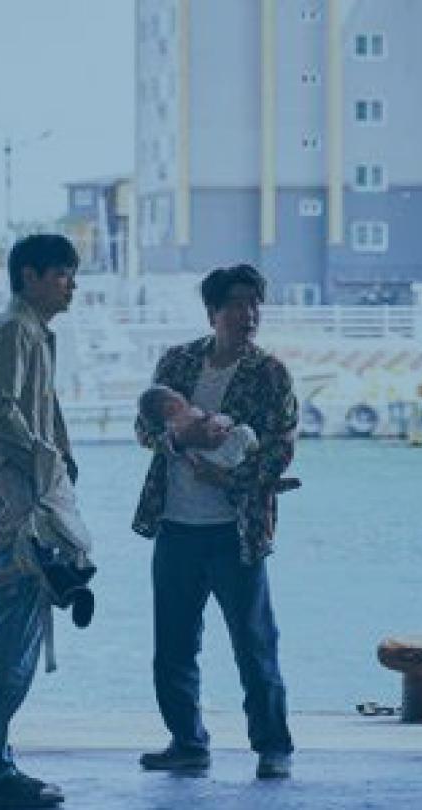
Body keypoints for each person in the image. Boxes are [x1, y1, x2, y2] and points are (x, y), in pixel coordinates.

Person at [132, 264, 297, 780]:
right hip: (175, 525)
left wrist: (229, 478)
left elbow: (282, 449)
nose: (249, 314)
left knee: (254, 644)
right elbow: (144, 427)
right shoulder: (177, 362)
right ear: (213, 311)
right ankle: (187, 742)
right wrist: (178, 439)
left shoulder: (270, 372)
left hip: (237, 530)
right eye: (237, 303)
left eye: (255, 303)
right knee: (173, 646)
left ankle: (273, 747)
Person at [0, 234, 81, 808]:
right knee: (8, 635)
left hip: (19, 501)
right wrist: (44, 457)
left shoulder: (30, 332)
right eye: (61, 275)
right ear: (29, 276)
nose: (70, 285)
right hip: (12, 506)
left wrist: (57, 459)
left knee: (9, 627)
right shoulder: (15, 331)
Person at [138, 384, 301, 492]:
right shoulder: (175, 422)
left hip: (221, 457)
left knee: (243, 437)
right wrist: (182, 440)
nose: (179, 399)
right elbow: (147, 435)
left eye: (176, 395)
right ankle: (262, 483)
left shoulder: (269, 370)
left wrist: (221, 425)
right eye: (171, 403)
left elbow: (219, 422)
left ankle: (264, 483)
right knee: (243, 437)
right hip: (208, 461)